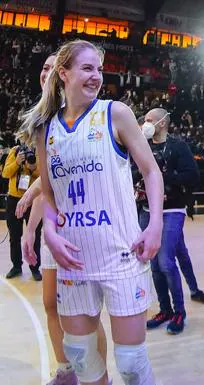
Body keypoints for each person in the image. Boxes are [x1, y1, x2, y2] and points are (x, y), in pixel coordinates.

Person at [18, 39, 163, 385]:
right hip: (73, 260)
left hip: (121, 254)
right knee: (81, 357)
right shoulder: (46, 129)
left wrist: (155, 222)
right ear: (63, 73)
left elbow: (151, 171)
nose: (96, 76)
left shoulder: (116, 113)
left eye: (98, 69)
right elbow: (50, 195)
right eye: (87, 68)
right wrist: (49, 232)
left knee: (130, 361)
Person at [18, 52, 109, 385]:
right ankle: (67, 369)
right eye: (42, 67)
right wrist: (31, 229)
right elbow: (51, 185)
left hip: (85, 227)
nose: (46, 73)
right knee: (50, 303)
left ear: (64, 74)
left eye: (51, 67)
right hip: (56, 227)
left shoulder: (87, 115)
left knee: (84, 313)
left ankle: (99, 375)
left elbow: (55, 178)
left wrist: (32, 192)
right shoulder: (45, 122)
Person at [139, 107, 204, 336]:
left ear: (162, 123)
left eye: (149, 120)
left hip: (172, 209)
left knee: (165, 261)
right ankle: (165, 309)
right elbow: (134, 172)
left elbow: (192, 176)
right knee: (155, 262)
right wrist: (141, 187)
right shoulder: (143, 146)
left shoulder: (178, 146)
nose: (145, 124)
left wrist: (162, 181)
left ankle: (179, 311)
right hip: (147, 210)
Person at [2, 140, 42, 280]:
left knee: (35, 235)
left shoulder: (38, 150)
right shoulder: (14, 151)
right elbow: (5, 173)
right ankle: (16, 266)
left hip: (33, 200)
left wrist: (32, 166)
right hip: (14, 199)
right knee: (14, 235)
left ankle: (35, 267)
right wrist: (17, 162)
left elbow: (43, 174)